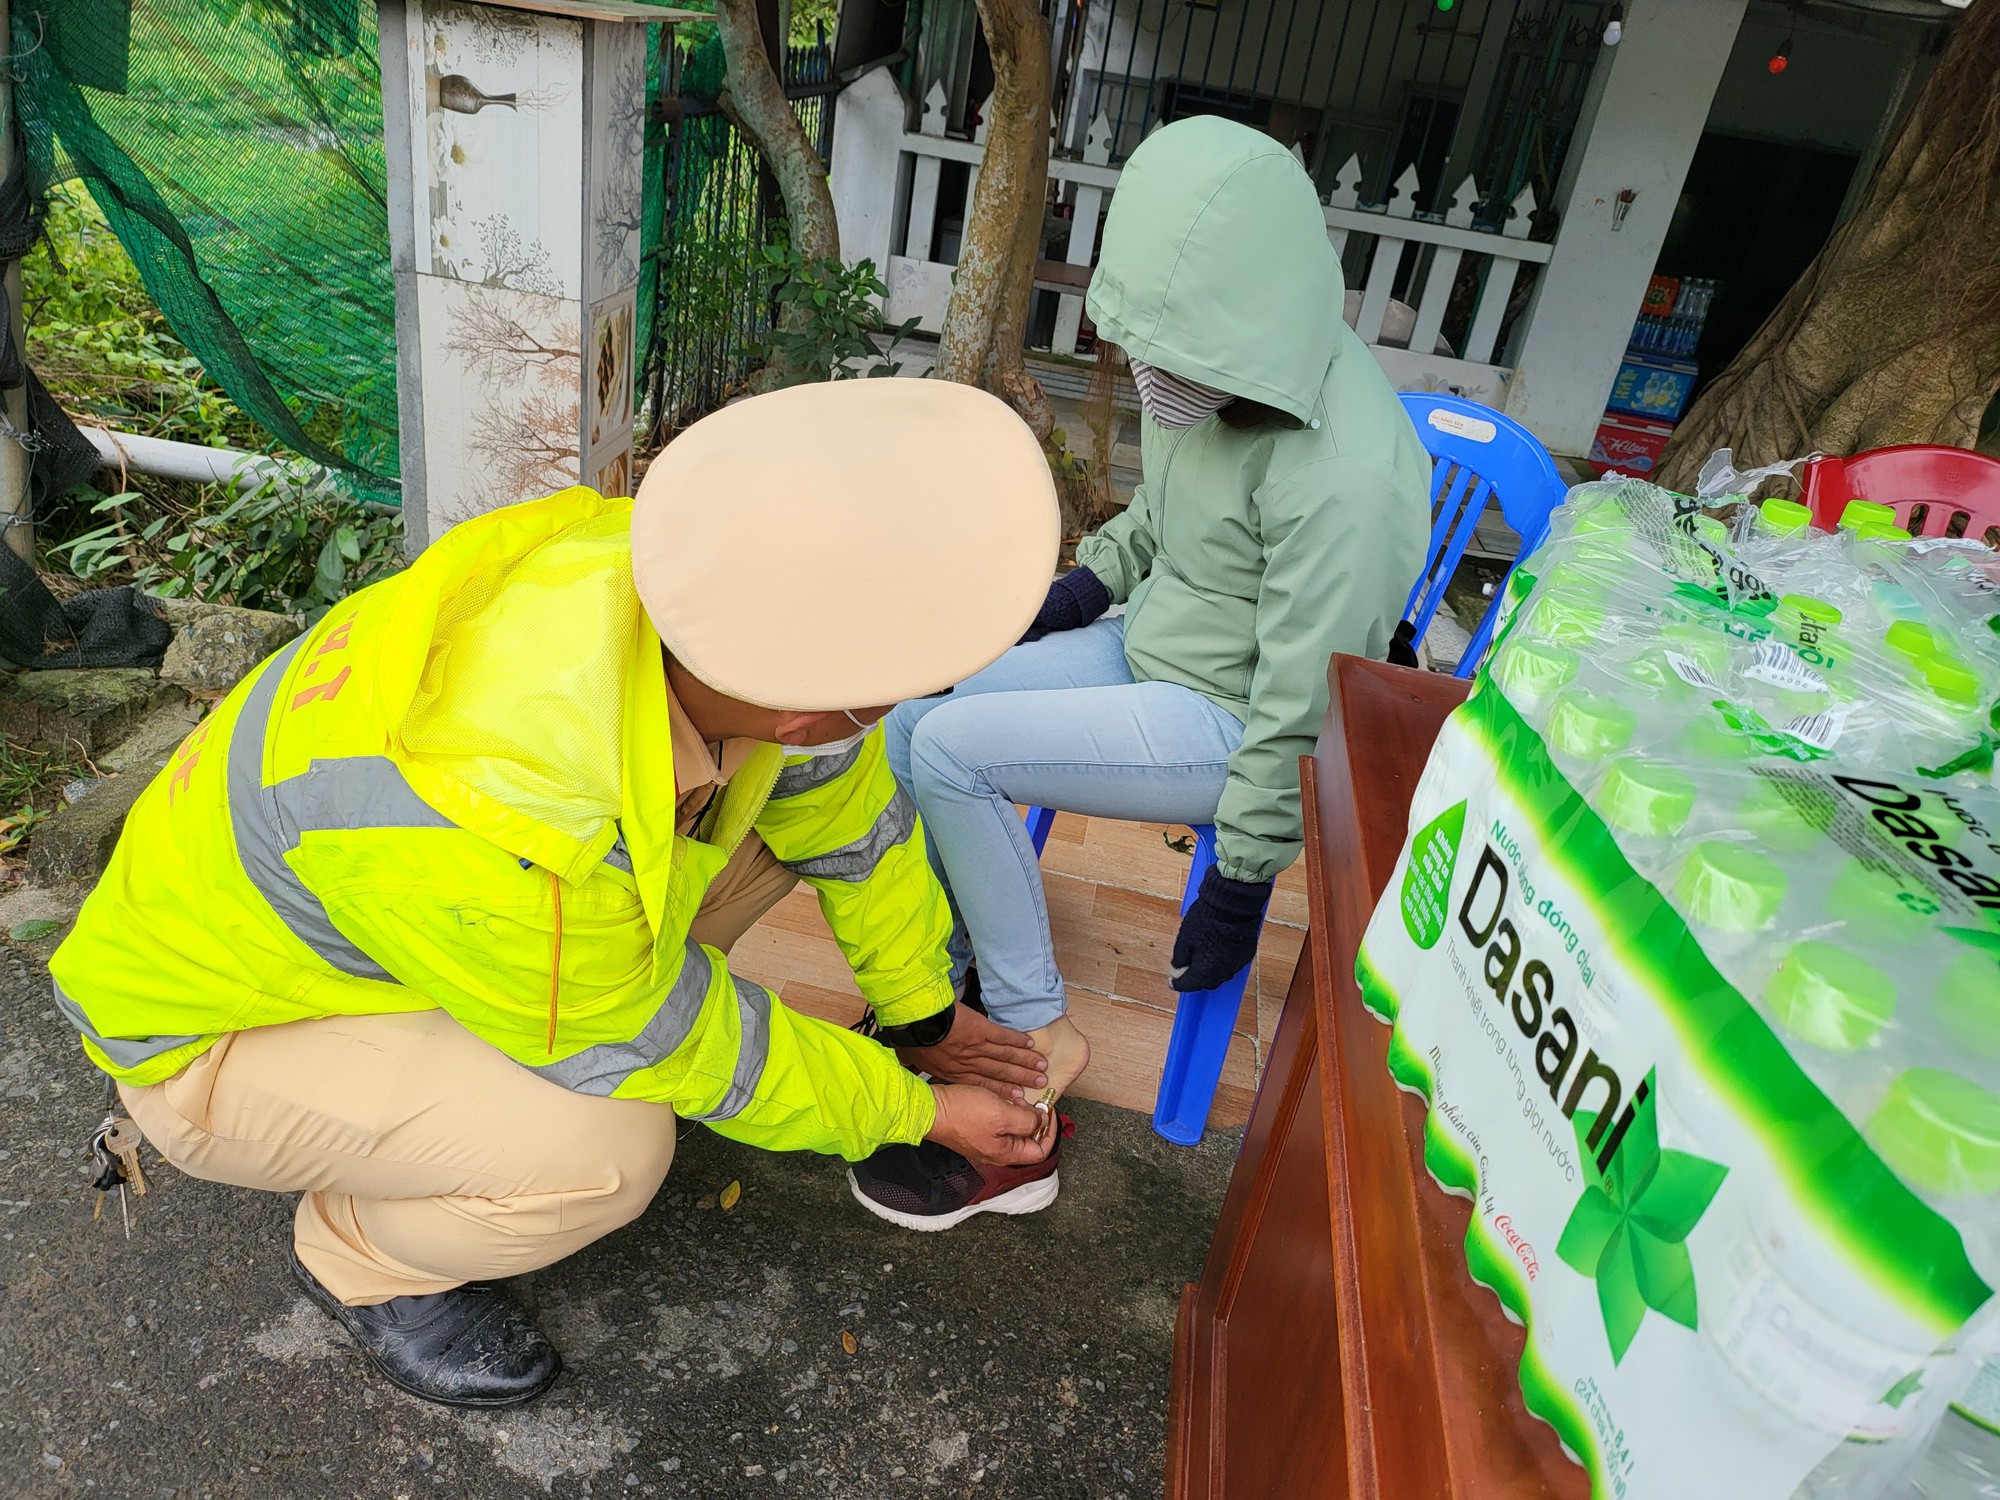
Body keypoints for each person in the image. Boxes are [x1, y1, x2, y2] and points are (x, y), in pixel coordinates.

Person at [49, 379, 1063, 1408]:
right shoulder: (509, 807)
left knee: (744, 869)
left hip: (416, 924)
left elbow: (853, 822)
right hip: (218, 1035)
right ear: (808, 709)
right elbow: (680, 1042)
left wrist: (922, 1013)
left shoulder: (684, 596)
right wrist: (915, 1111)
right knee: (609, 1148)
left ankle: (483, 1061)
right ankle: (360, 1258)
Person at [850, 116, 1432, 1229]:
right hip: (1155, 640)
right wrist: (1080, 584)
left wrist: (1241, 875)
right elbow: (1162, 520)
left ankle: (1024, 1053)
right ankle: (948, 979)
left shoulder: (1349, 478)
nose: (1147, 380)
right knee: (914, 710)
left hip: (1236, 719)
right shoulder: (1220, 359)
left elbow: (1303, 705)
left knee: (959, 754)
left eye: (1166, 361)